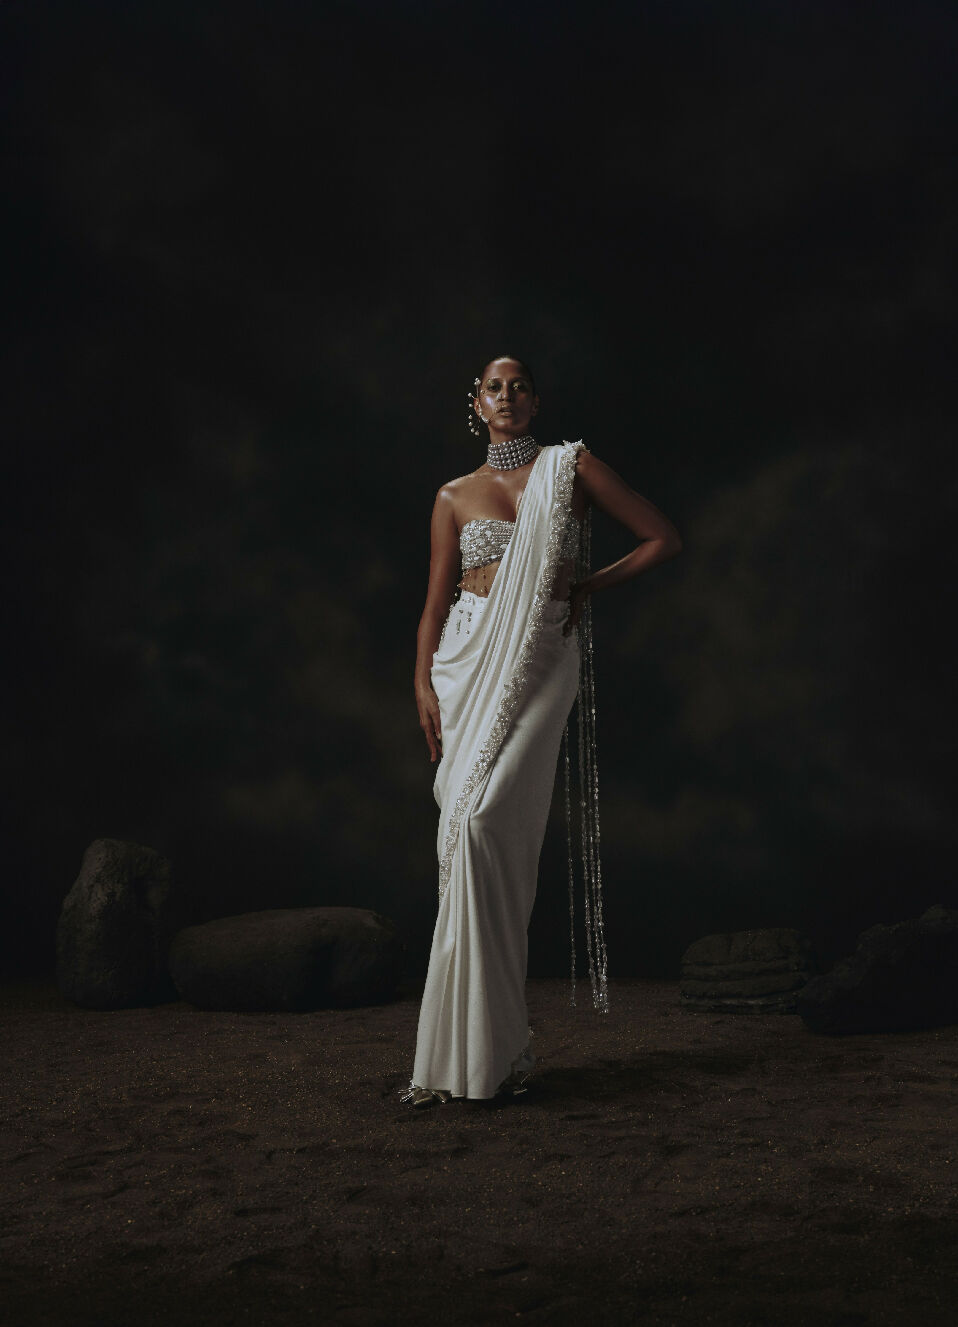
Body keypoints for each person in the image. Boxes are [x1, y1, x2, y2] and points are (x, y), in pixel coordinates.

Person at [401, 356, 682, 1108]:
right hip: (465, 657)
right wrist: (422, 681)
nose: (508, 395)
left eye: (520, 384)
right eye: (495, 386)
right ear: (477, 404)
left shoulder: (571, 467)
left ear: (536, 401)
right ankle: (475, 1057)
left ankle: (493, 1047)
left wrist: (588, 583)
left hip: (542, 654)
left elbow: (663, 537)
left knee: (489, 824)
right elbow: (433, 602)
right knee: (461, 837)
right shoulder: (452, 496)